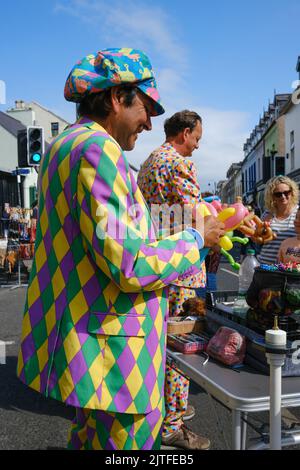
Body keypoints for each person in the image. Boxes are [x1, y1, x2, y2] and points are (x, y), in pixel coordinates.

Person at [16, 48, 225, 451]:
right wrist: (197, 239)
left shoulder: (64, 147)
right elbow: (129, 263)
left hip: (85, 344)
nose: (150, 123)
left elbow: (110, 238)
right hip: (115, 354)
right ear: (117, 97)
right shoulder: (100, 150)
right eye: (146, 107)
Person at [138, 110, 210, 450]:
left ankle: (162, 409)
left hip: (157, 265)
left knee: (159, 343)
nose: (196, 146)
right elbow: (196, 213)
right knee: (181, 347)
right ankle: (173, 422)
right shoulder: (180, 163)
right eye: (196, 138)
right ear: (184, 133)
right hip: (182, 266)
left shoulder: (150, 161)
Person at [258, 176, 299, 265]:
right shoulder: (267, 214)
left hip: (289, 269)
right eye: (278, 194)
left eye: (286, 192)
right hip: (266, 265)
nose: (283, 196)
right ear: (272, 196)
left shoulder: (298, 214)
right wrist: (261, 232)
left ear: (292, 192)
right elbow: (259, 239)